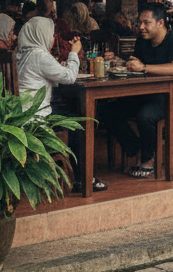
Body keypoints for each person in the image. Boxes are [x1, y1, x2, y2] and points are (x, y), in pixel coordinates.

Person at [15, 16, 106, 192]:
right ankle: (83, 179)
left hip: (24, 114)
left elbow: (44, 78)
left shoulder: (23, 53)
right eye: (51, 34)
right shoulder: (39, 55)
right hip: (37, 118)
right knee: (81, 125)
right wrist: (74, 53)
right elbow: (69, 78)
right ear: (41, 34)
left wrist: (60, 68)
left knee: (71, 112)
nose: (53, 38)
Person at [104, 3, 173, 179]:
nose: (141, 27)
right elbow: (139, 65)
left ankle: (148, 159)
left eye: (146, 23)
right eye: (139, 22)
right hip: (147, 94)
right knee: (108, 111)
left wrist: (143, 67)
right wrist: (121, 62)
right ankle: (134, 148)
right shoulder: (142, 41)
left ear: (160, 23)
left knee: (146, 115)